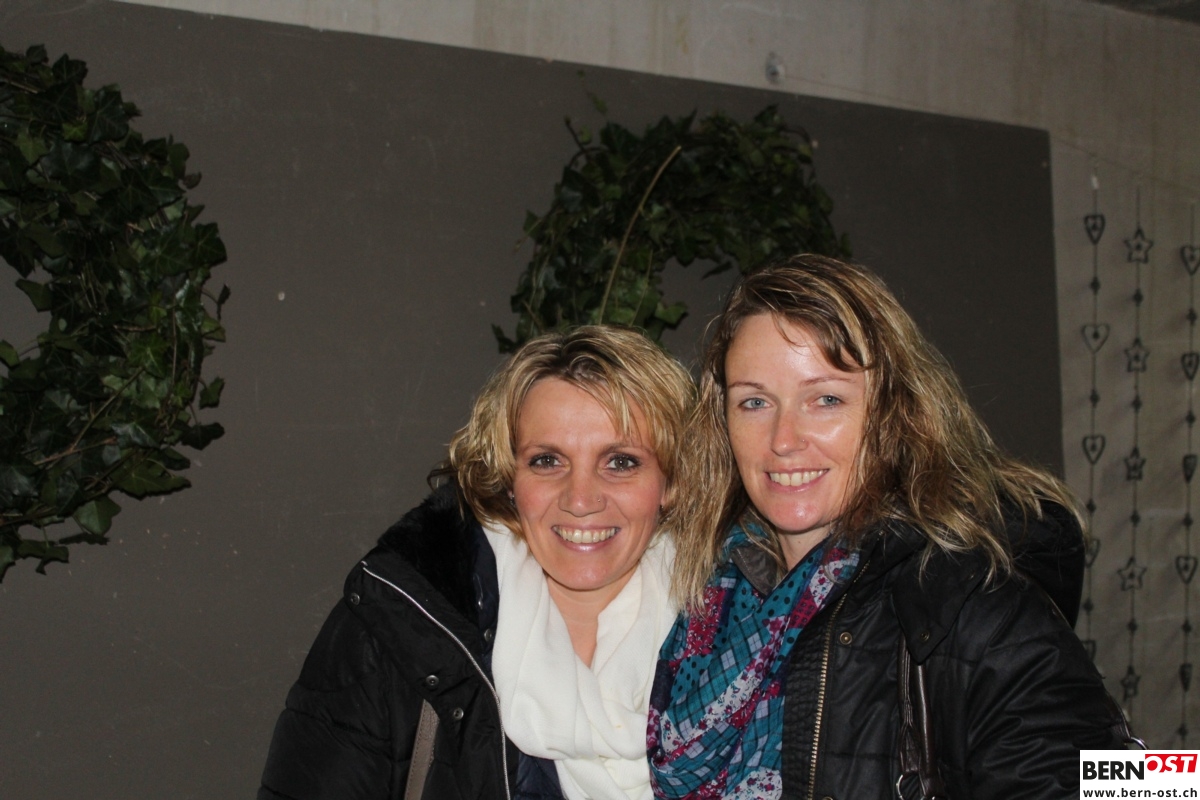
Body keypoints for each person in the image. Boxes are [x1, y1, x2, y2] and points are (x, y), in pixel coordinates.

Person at [647, 255, 1126, 800]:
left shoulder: (968, 601)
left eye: (826, 399)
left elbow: (1147, 782)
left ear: (892, 414)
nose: (783, 439)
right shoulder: (708, 597)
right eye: (754, 402)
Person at [258, 325, 694, 800]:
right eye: (547, 461)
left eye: (621, 462)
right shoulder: (396, 628)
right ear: (508, 479)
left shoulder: (738, 638)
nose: (581, 499)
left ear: (672, 482)